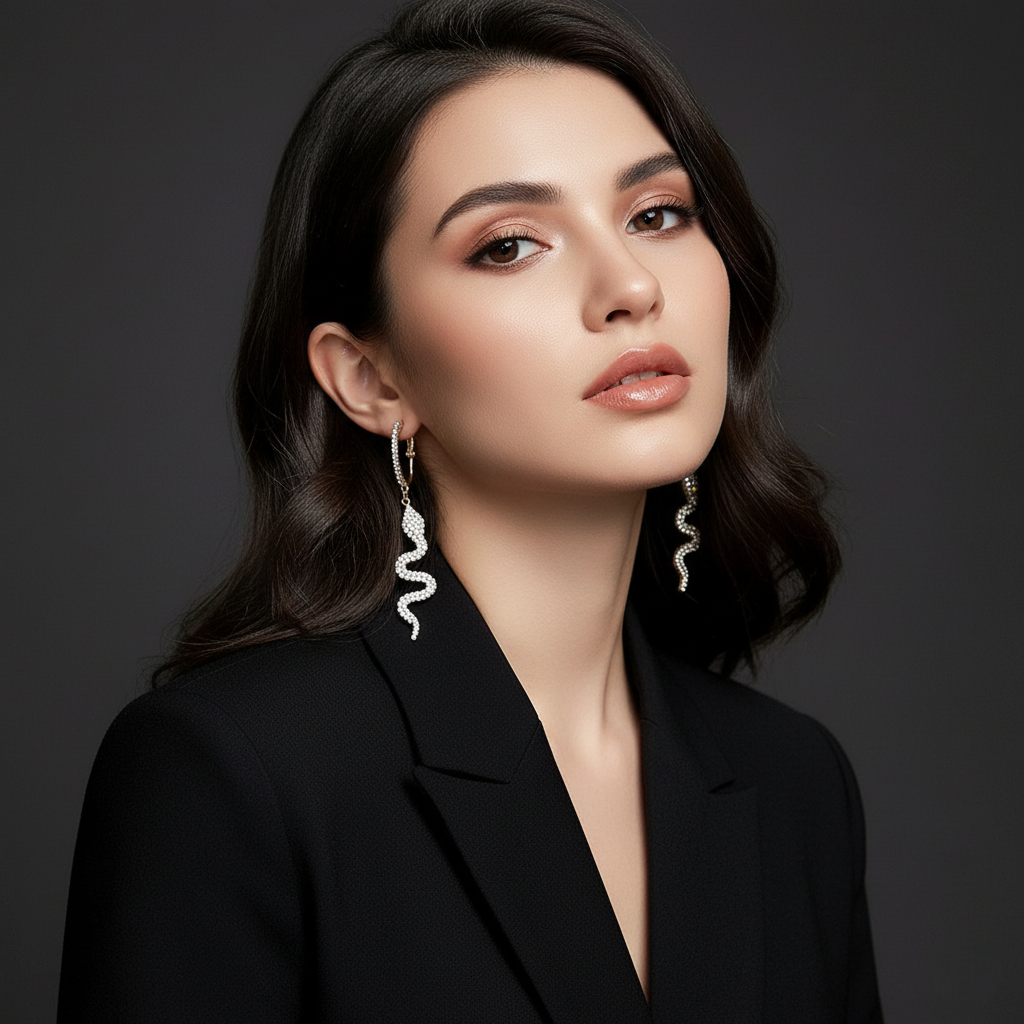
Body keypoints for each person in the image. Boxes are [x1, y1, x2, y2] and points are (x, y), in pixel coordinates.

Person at [57, 0, 884, 1020]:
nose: (628, 284)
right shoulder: (232, 772)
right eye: (508, 244)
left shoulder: (793, 780)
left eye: (657, 214)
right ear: (369, 377)